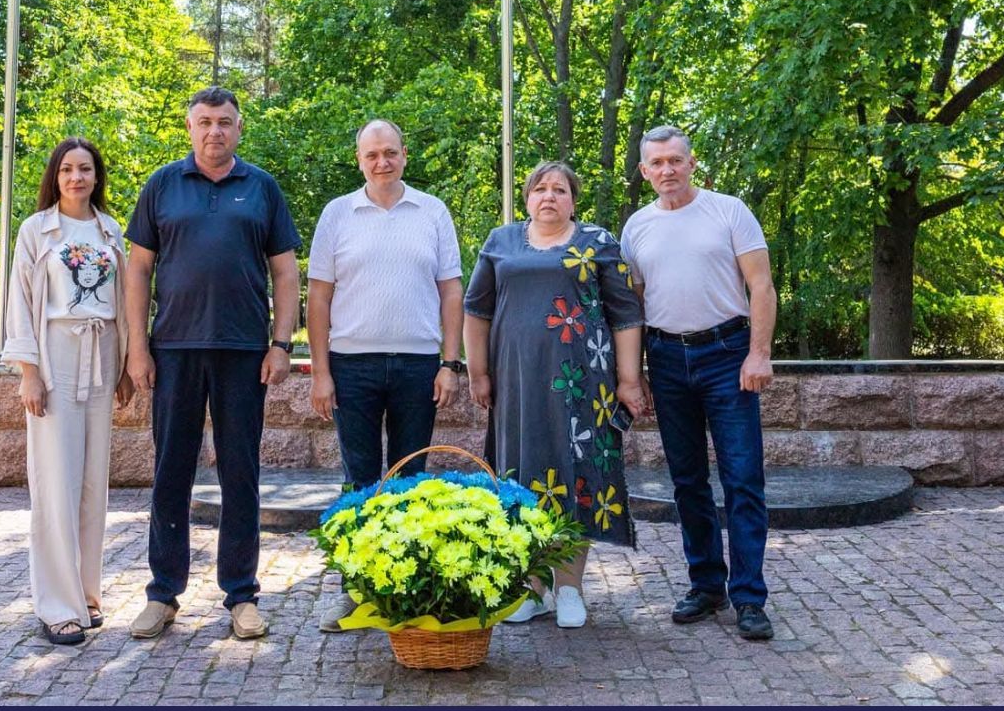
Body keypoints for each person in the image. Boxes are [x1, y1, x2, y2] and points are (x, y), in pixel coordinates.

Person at [121, 87, 302, 642]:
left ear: (239, 129)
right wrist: (136, 347)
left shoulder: (262, 188)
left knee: (240, 475)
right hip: (173, 348)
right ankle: (162, 594)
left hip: (245, 353)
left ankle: (241, 596)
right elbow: (137, 271)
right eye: (204, 122)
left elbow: (287, 273)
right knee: (171, 472)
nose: (214, 131)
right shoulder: (162, 186)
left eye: (225, 122)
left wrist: (281, 344)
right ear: (190, 127)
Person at [463, 161, 646, 629]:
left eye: (559, 190)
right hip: (516, 383)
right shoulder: (500, 242)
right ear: (527, 198)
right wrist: (477, 372)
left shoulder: (597, 243)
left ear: (573, 199)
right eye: (540, 189)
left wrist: (628, 380)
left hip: (581, 380)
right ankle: (532, 587)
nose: (549, 196)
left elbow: (626, 315)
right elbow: (476, 311)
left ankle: (569, 588)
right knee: (521, 473)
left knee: (575, 470)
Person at [304, 119, 466, 629]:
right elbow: (320, 297)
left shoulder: (432, 211)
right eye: (372, 155)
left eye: (390, 153)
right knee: (359, 480)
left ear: (404, 155)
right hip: (352, 365)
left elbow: (451, 292)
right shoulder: (337, 214)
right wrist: (320, 373)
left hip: (419, 364)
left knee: (410, 481)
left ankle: (405, 591)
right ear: (359, 160)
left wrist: (449, 362)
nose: (382, 162)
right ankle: (356, 590)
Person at [621, 124, 779, 642]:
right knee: (687, 480)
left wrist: (759, 354)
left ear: (692, 163)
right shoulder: (637, 227)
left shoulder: (729, 211)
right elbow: (634, 308)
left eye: (675, 160)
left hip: (727, 354)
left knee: (741, 479)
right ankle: (706, 584)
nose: (667, 170)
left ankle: (749, 597)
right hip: (667, 358)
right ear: (644, 172)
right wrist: (635, 374)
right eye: (657, 164)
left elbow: (761, 285)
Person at [0, 137, 135, 647]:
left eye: (86, 169)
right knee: (56, 484)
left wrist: (123, 366)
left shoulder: (110, 231)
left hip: (101, 357)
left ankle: (87, 593)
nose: (76, 178)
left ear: (97, 176)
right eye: (67, 170)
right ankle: (57, 606)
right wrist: (28, 371)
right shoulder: (37, 231)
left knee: (92, 484)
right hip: (54, 356)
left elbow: (123, 300)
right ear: (55, 177)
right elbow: (20, 301)